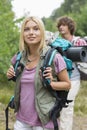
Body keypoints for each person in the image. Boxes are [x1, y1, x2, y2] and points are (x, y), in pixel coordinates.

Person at [6, 16, 71, 130]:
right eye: (26, 29)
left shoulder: (54, 57)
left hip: (44, 120)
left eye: (36, 29)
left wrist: (51, 83)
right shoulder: (19, 57)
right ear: (22, 34)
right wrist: (11, 75)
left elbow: (67, 84)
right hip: (22, 119)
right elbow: (23, 82)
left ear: (42, 32)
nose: (31, 33)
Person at [56, 16, 87, 130]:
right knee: (58, 107)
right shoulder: (57, 42)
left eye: (64, 25)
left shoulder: (78, 41)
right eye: (60, 25)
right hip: (59, 80)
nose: (61, 27)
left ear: (70, 26)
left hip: (73, 79)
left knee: (67, 106)